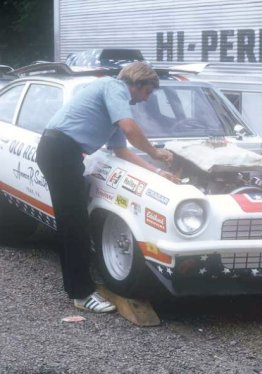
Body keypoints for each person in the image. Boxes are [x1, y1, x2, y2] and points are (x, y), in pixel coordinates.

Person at [36, 62, 173, 313]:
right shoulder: (115, 87)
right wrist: (155, 152)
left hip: (61, 152)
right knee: (75, 224)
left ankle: (77, 285)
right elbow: (130, 129)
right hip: (60, 152)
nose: (146, 99)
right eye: (147, 92)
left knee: (73, 223)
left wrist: (157, 172)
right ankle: (81, 294)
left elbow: (122, 150)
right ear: (137, 83)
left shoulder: (112, 108)